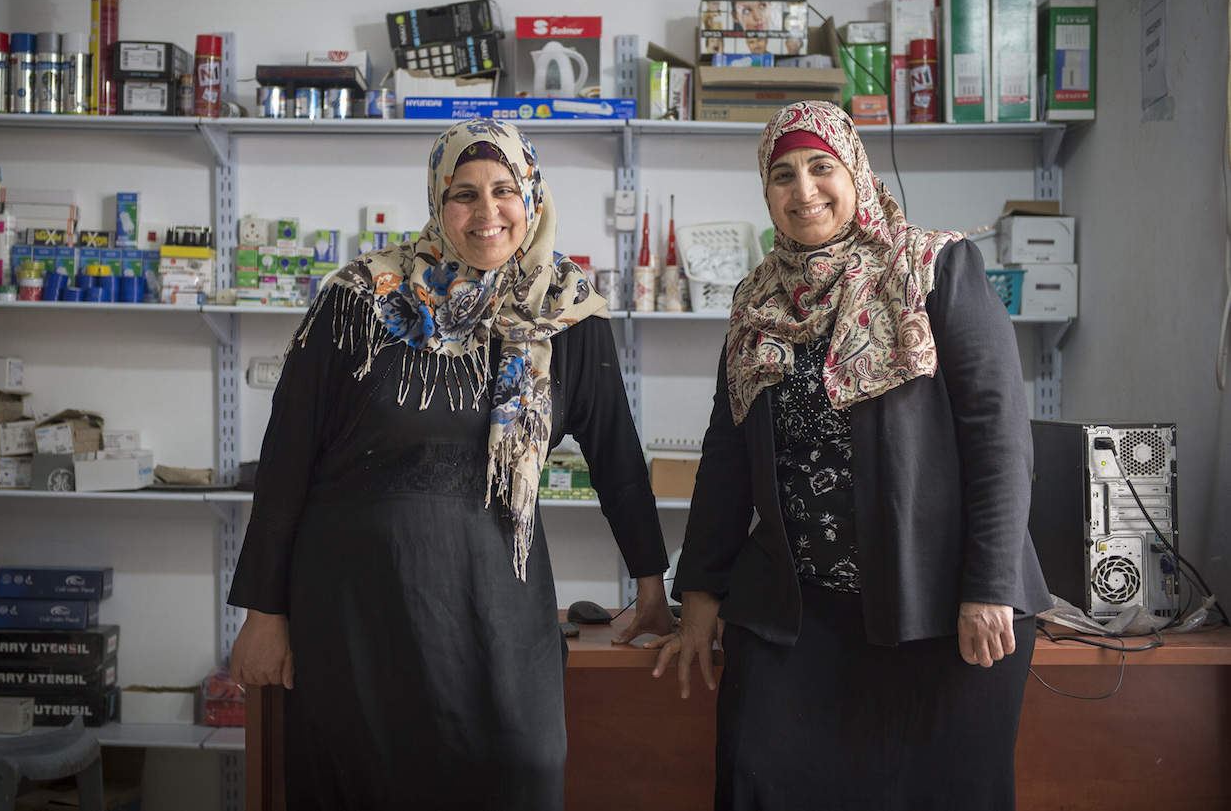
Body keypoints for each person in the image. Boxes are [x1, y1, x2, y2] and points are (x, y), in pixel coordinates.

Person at [228, 118, 675, 810]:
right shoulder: (361, 299)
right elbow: (285, 459)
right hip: (356, 612)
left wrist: (651, 581)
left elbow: (617, 457)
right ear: (438, 202)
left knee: (522, 766)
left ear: (532, 195)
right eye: (464, 194)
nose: (487, 212)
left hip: (496, 609)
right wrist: (264, 611)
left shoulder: (567, 315)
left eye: (504, 190)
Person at [651, 101, 1050, 810]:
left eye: (819, 166)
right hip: (798, 616)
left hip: (938, 610)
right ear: (765, 191)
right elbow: (727, 452)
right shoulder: (755, 303)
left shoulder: (934, 268)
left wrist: (989, 583)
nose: (803, 190)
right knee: (756, 780)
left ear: (854, 171)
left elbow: (999, 434)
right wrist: (701, 590)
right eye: (782, 174)